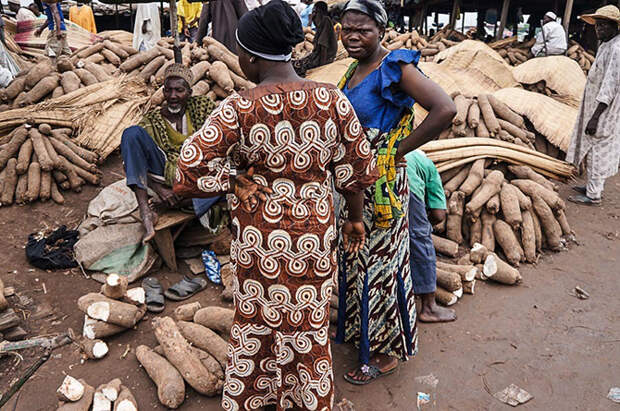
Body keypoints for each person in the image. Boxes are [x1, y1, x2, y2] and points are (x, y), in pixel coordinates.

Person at [174, 2, 378, 408]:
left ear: (249, 56)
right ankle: (307, 398)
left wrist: (231, 181)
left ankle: (259, 397)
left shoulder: (239, 108)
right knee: (308, 322)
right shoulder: (332, 100)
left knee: (257, 321)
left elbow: (186, 173)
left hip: (260, 239)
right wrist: (355, 220)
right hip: (314, 238)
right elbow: (357, 171)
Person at [336, 0, 456, 384]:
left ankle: (387, 351)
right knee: (357, 261)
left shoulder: (395, 66)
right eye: (347, 29)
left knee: (383, 266)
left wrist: (395, 150)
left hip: (382, 185)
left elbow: (445, 108)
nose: (353, 36)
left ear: (381, 31)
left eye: (363, 30)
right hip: (356, 185)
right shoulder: (355, 69)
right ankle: (363, 335)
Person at [120, 64, 217, 244]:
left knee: (230, 178)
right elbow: (131, 162)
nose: (173, 96)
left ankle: (184, 201)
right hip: (164, 171)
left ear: (189, 92)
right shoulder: (153, 119)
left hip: (197, 173)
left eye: (179, 90)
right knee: (131, 134)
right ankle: (145, 212)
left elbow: (218, 144)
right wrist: (159, 190)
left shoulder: (202, 108)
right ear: (163, 92)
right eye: (168, 90)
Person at [566, 5, 620, 205]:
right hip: (595, 105)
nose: (599, 30)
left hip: (604, 109)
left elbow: (610, 86)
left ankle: (594, 195)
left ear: (615, 27)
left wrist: (596, 116)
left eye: (604, 26)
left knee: (598, 146)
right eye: (597, 26)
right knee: (592, 146)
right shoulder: (607, 44)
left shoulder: (617, 48)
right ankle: (592, 185)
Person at [405, 149, 455, 322]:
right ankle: (428, 307)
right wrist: (426, 223)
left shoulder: (395, 145)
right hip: (406, 187)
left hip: (379, 182)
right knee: (421, 240)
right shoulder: (428, 165)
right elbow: (439, 214)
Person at [292, 1, 337, 76]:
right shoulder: (321, 25)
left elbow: (323, 46)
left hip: (323, 59)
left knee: (296, 68)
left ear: (319, 12)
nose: (312, 16)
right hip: (316, 57)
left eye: (314, 12)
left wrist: (322, 67)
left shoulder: (326, 21)